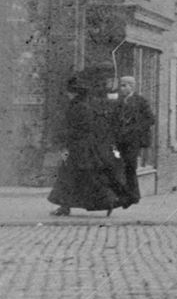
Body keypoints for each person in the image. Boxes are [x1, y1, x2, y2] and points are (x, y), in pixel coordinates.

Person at [47, 65, 127, 217]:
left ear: (74, 93)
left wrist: (64, 141)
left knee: (74, 176)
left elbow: (77, 128)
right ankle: (104, 202)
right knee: (82, 177)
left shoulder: (79, 107)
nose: (68, 95)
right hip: (85, 147)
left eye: (69, 93)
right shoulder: (84, 105)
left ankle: (105, 201)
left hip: (80, 147)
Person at [112, 75, 155, 207]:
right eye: (121, 85)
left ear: (132, 86)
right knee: (119, 167)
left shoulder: (140, 101)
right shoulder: (118, 101)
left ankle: (133, 196)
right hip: (120, 140)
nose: (122, 88)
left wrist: (135, 129)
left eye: (124, 85)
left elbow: (150, 119)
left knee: (130, 167)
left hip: (133, 141)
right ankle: (126, 196)